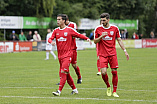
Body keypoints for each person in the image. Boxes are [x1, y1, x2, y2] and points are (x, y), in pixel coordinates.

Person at [48, 14, 92, 96]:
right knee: (66, 74)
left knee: (63, 72)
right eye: (57, 19)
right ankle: (75, 90)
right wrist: (51, 42)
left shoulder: (70, 30)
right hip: (60, 56)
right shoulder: (56, 31)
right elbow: (50, 39)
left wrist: (87, 38)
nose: (57, 21)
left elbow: (79, 35)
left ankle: (59, 91)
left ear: (64, 21)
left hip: (68, 55)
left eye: (59, 19)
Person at [94, 13, 129, 97]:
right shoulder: (98, 29)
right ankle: (108, 86)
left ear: (108, 20)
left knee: (114, 72)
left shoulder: (115, 28)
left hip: (112, 54)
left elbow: (119, 40)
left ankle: (114, 91)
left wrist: (125, 51)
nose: (102, 22)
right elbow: (95, 41)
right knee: (103, 72)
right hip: (102, 54)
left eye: (104, 20)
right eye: (101, 20)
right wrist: (101, 36)